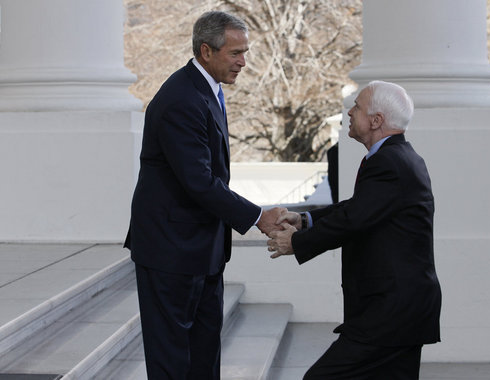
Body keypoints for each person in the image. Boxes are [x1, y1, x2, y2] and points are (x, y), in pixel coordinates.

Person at [124, 11, 285, 379]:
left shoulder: (206, 89)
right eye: (235, 53)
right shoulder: (181, 98)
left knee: (204, 355)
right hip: (171, 251)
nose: (244, 61)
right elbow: (199, 181)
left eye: (245, 52)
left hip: (201, 250)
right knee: (173, 363)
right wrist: (259, 216)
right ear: (206, 51)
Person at [268, 81, 441, 380]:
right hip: (400, 308)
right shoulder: (395, 157)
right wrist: (305, 220)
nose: (349, 112)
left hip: (391, 312)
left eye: (357, 106)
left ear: (376, 120)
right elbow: (359, 208)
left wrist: (297, 242)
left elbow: (355, 219)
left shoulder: (390, 162)